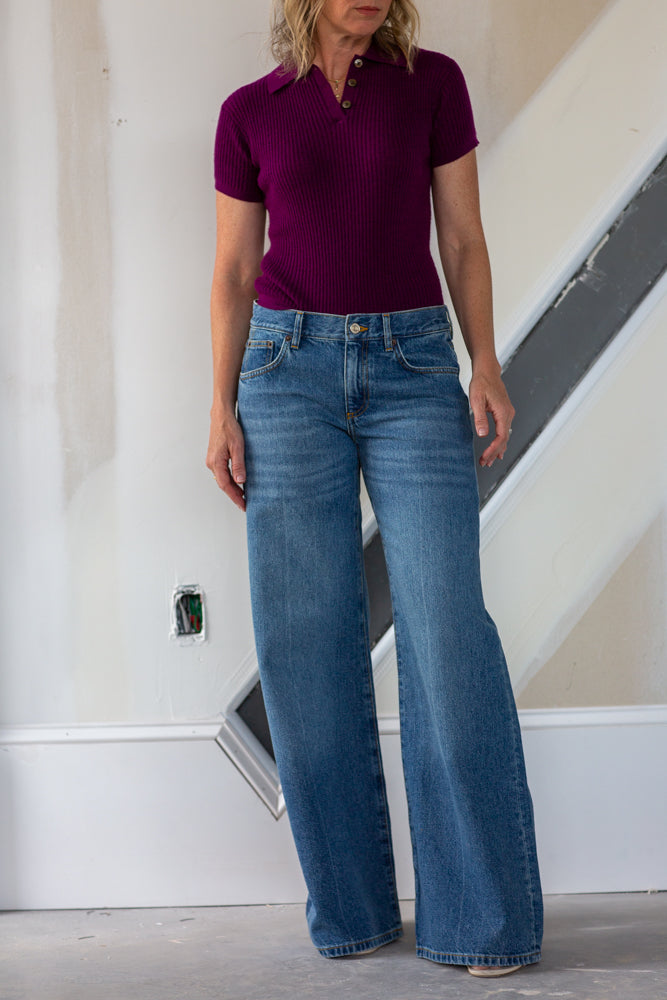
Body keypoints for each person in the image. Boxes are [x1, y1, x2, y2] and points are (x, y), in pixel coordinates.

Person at [206, 0, 543, 980]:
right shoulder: (250, 111)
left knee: (444, 627)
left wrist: (485, 362)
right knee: (304, 638)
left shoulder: (431, 84)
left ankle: (480, 920)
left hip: (411, 366)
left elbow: (464, 240)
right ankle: (351, 910)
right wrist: (219, 410)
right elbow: (232, 272)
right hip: (283, 375)